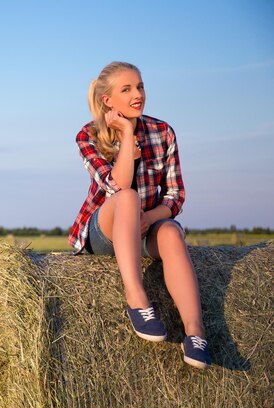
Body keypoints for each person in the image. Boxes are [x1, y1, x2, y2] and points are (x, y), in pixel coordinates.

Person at [68, 61, 211, 369]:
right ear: (108, 100)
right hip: (104, 231)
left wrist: (151, 218)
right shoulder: (88, 135)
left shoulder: (163, 132)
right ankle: (136, 298)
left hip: (145, 227)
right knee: (128, 197)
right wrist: (127, 135)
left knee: (171, 231)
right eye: (127, 89)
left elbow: (176, 196)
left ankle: (195, 332)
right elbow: (115, 186)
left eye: (141, 86)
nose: (138, 94)